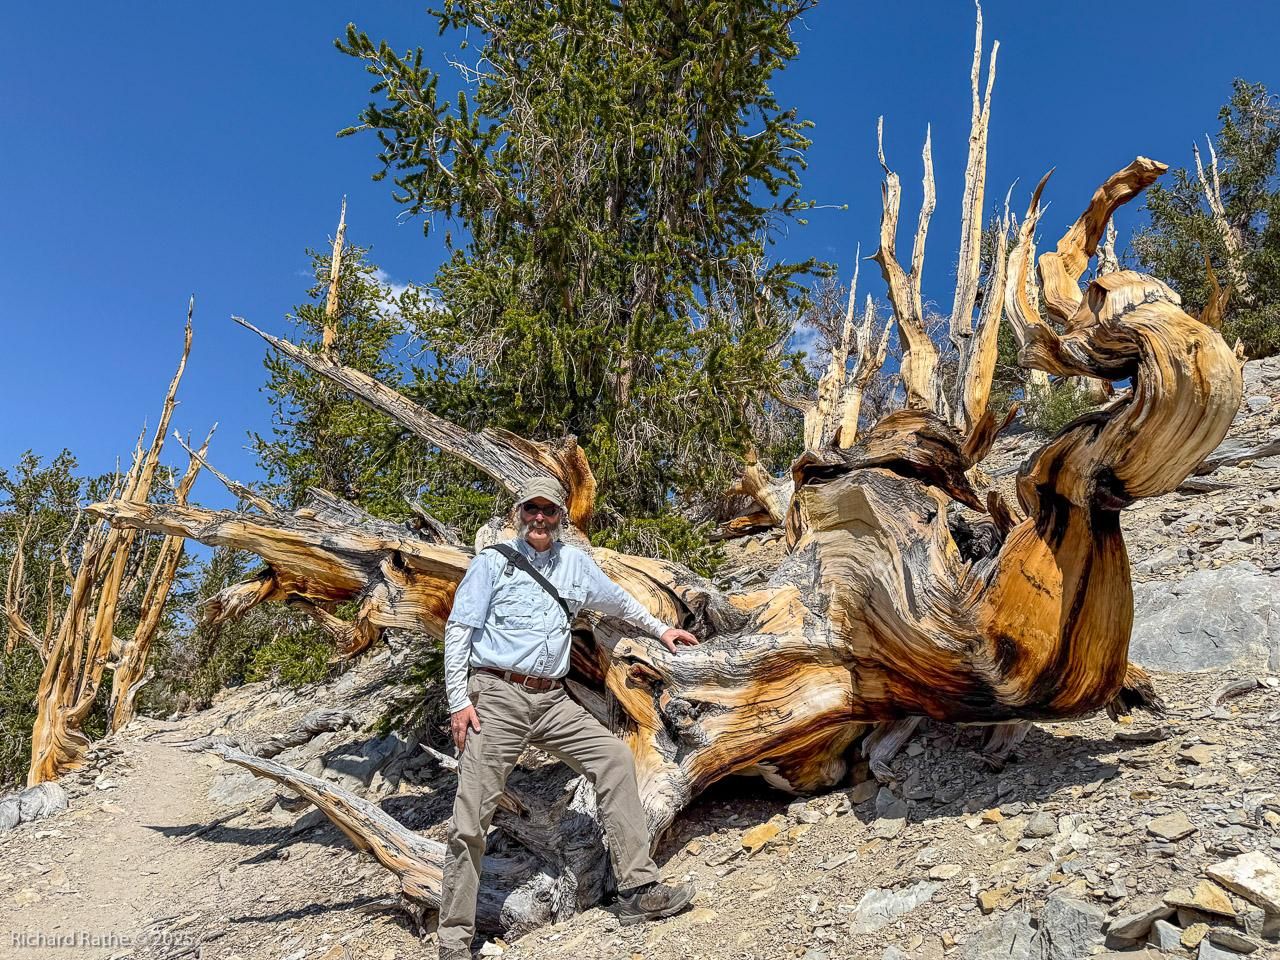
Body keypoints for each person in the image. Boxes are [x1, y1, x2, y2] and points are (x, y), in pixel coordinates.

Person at [437, 477, 698, 959]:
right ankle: (453, 940)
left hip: (552, 700)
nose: (540, 518)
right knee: (471, 817)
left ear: (561, 516)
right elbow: (459, 630)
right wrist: (459, 701)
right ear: (519, 514)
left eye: (549, 511)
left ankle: (638, 888)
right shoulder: (491, 563)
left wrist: (662, 630)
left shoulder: (575, 564)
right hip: (495, 696)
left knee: (615, 758)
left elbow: (617, 601)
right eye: (531, 510)